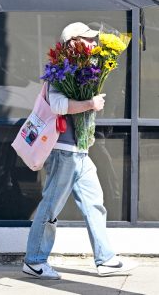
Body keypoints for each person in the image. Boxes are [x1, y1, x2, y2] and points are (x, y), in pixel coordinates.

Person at [23, 22, 136, 279]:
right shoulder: (60, 71)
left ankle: (105, 259)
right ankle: (34, 261)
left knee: (94, 203)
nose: (93, 42)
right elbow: (59, 105)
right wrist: (89, 103)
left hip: (79, 151)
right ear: (72, 41)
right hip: (64, 151)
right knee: (51, 206)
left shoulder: (85, 68)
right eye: (87, 39)